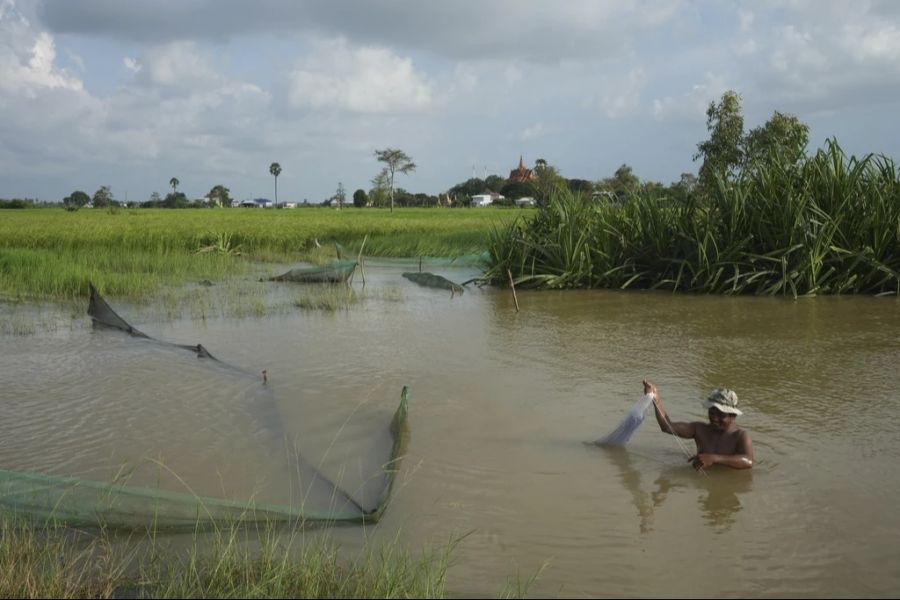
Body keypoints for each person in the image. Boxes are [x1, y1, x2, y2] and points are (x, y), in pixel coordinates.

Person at [643, 380, 754, 470]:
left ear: (732, 416)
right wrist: (656, 399)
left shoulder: (740, 436)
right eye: (712, 412)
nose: (715, 418)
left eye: (721, 415)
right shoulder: (699, 429)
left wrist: (714, 459)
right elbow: (667, 427)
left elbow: (748, 461)